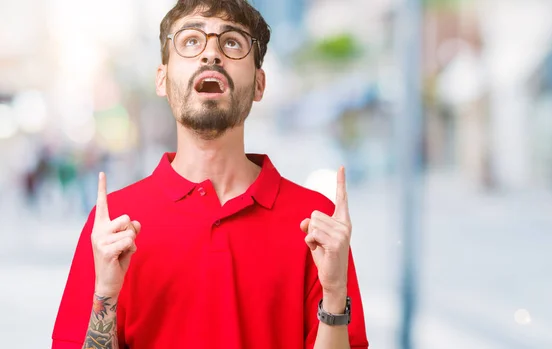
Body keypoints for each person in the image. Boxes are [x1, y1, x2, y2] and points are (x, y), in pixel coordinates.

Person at [52, 0, 369, 348]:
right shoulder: (111, 225)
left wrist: (335, 294)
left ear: (260, 84)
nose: (211, 55)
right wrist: (106, 294)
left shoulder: (315, 224)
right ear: (162, 79)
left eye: (232, 42)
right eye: (190, 41)